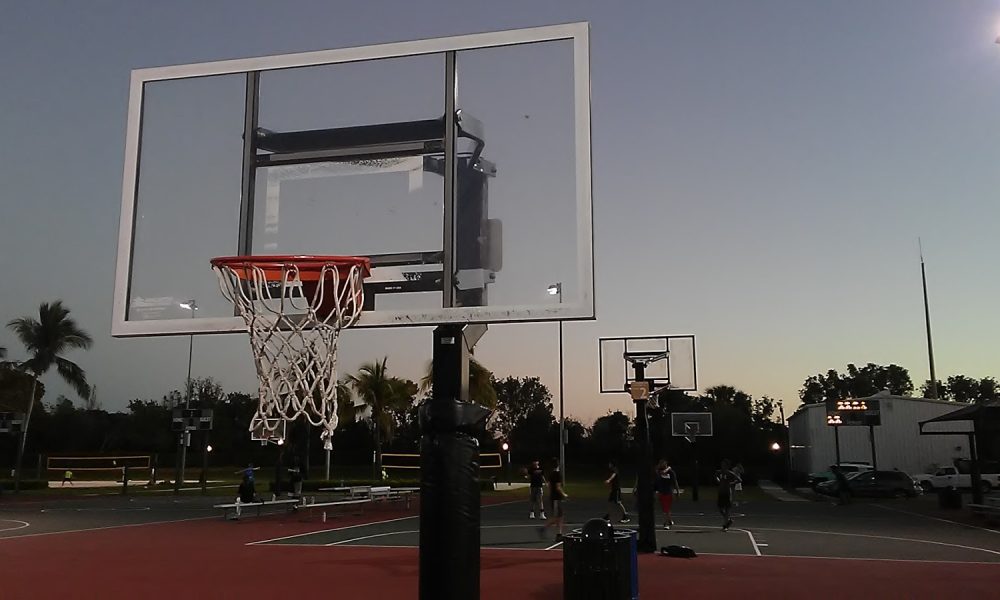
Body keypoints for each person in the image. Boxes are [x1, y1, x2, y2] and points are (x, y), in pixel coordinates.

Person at [539, 458, 568, 541]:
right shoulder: (557, 474)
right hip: (556, 498)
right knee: (557, 517)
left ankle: (559, 534)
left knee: (560, 516)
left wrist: (550, 495)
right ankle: (544, 529)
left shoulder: (551, 474)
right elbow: (558, 487)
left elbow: (549, 486)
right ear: (558, 465)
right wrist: (564, 494)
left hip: (553, 497)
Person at [715, 459, 741, 531]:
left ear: (727, 466)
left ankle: (725, 525)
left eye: (724, 465)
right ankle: (728, 520)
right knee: (720, 508)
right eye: (722, 464)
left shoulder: (730, 473)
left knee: (727, 509)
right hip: (721, 492)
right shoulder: (719, 472)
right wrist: (717, 480)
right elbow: (716, 477)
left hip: (727, 492)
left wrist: (731, 483)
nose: (722, 466)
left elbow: (739, 480)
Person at [655, 459, 679, 529]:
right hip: (661, 492)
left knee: (666, 509)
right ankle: (670, 520)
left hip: (668, 492)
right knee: (665, 509)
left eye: (663, 463)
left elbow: (675, 482)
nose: (662, 464)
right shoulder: (660, 471)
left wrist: (677, 491)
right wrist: (667, 468)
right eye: (661, 463)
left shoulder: (671, 473)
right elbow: (660, 472)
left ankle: (666, 524)